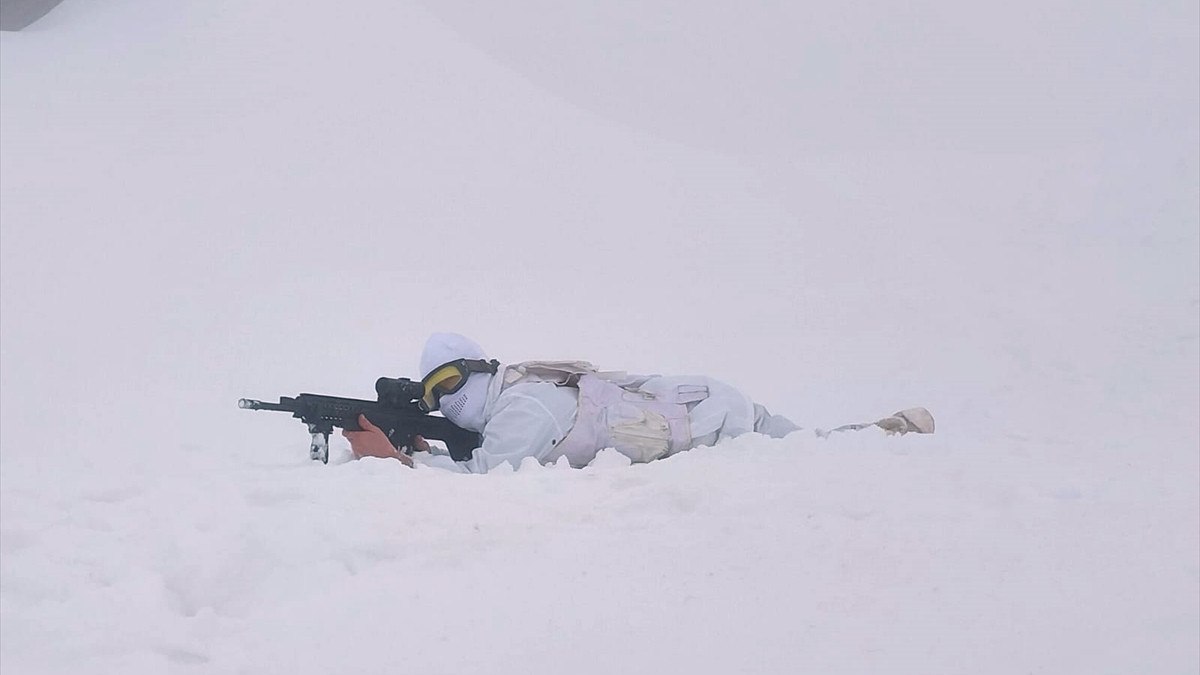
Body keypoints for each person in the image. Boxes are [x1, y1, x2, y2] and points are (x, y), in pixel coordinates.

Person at [343, 332, 933, 472]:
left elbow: (489, 479)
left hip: (704, 419)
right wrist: (422, 451)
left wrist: (395, 463)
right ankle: (889, 432)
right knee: (808, 448)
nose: (446, 402)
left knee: (807, 459)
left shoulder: (522, 406)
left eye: (449, 383)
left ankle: (888, 438)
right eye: (432, 395)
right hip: (696, 401)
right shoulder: (518, 395)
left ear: (479, 370)